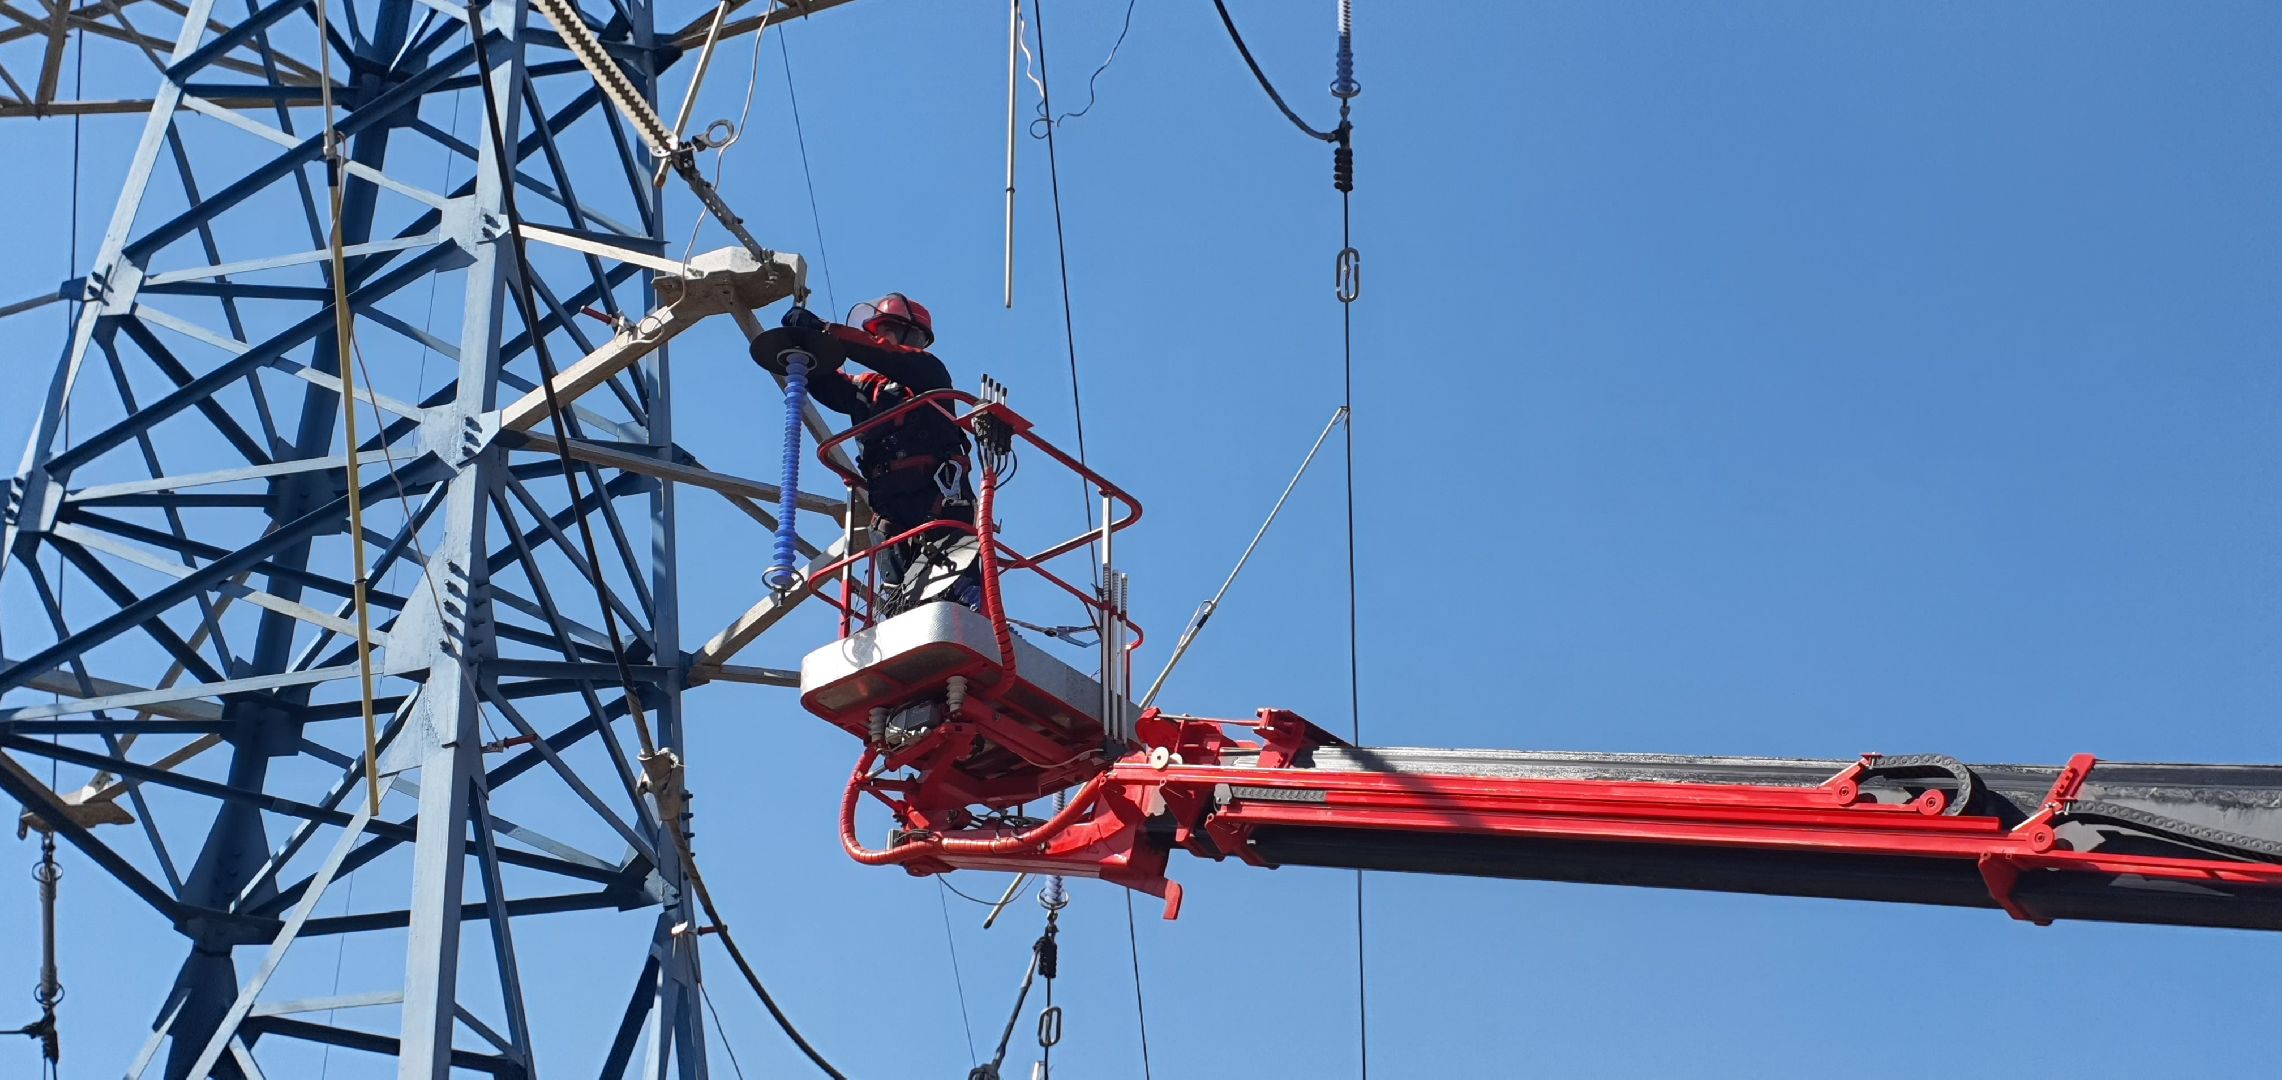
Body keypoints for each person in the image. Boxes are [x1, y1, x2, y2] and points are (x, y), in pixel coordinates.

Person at [750, 293, 982, 612]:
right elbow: (826, 383)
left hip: (937, 500)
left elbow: (883, 354)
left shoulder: (928, 374)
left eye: (882, 329)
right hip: (889, 509)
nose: (874, 337)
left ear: (908, 334)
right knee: (897, 605)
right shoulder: (867, 390)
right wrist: (803, 345)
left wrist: (827, 330)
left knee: (955, 596)